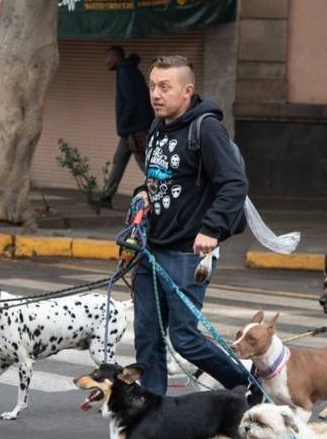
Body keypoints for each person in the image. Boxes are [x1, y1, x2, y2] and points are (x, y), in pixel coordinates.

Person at [132, 55, 249, 394]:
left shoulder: (206, 128)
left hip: (187, 254)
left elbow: (233, 184)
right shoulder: (157, 125)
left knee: (185, 339)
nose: (155, 94)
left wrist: (211, 229)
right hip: (150, 251)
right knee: (147, 338)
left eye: (164, 87)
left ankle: (246, 386)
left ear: (187, 91)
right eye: (152, 86)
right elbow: (157, 177)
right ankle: (151, 411)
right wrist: (144, 194)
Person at [99, 46, 154, 208]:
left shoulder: (125, 73)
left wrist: (123, 124)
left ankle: (165, 194)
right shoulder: (128, 71)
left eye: (107, 58)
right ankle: (105, 197)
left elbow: (131, 102)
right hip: (130, 129)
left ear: (116, 58)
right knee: (119, 160)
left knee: (146, 164)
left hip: (135, 129)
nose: (105, 62)